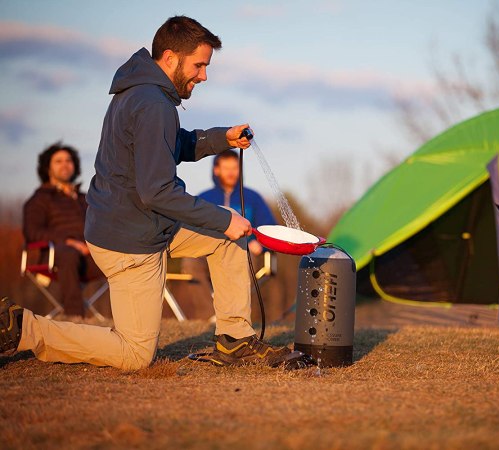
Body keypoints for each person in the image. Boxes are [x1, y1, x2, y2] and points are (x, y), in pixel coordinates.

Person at [1, 16, 301, 370]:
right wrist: (223, 217)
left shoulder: (143, 92)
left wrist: (223, 138)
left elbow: (172, 145)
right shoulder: (154, 104)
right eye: (200, 65)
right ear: (171, 58)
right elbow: (157, 191)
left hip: (145, 222)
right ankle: (21, 328)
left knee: (226, 238)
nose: (203, 75)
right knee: (134, 354)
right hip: (129, 239)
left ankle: (235, 340)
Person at [181, 151, 277, 313]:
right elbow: (189, 227)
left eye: (235, 168)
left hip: (244, 250)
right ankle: (209, 317)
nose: (231, 172)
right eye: (226, 168)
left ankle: (236, 316)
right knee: (190, 262)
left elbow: (271, 229)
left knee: (246, 258)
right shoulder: (204, 198)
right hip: (207, 250)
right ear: (216, 170)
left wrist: (261, 244)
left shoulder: (253, 198)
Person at [23, 143, 104, 317]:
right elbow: (32, 232)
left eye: (68, 160)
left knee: (124, 257)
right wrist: (69, 242)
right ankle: (75, 319)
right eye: (58, 161)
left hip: (90, 255)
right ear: (47, 167)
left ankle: (131, 320)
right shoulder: (39, 199)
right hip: (55, 255)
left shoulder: (86, 198)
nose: (65, 164)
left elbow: (101, 226)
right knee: (69, 253)